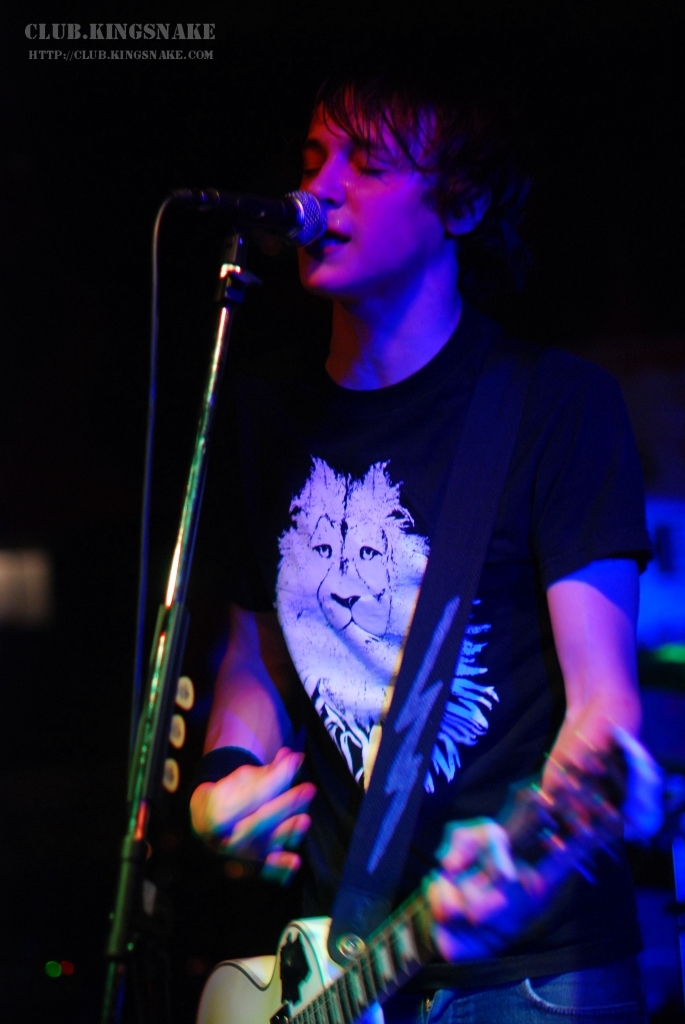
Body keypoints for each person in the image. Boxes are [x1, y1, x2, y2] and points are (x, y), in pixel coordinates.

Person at [190, 65, 652, 1022]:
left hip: (532, 974)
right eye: (314, 159)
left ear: (462, 204)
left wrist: (534, 859)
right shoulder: (260, 421)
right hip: (336, 964)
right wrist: (223, 789)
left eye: (366, 163)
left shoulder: (556, 407)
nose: (320, 190)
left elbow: (602, 708)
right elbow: (250, 661)